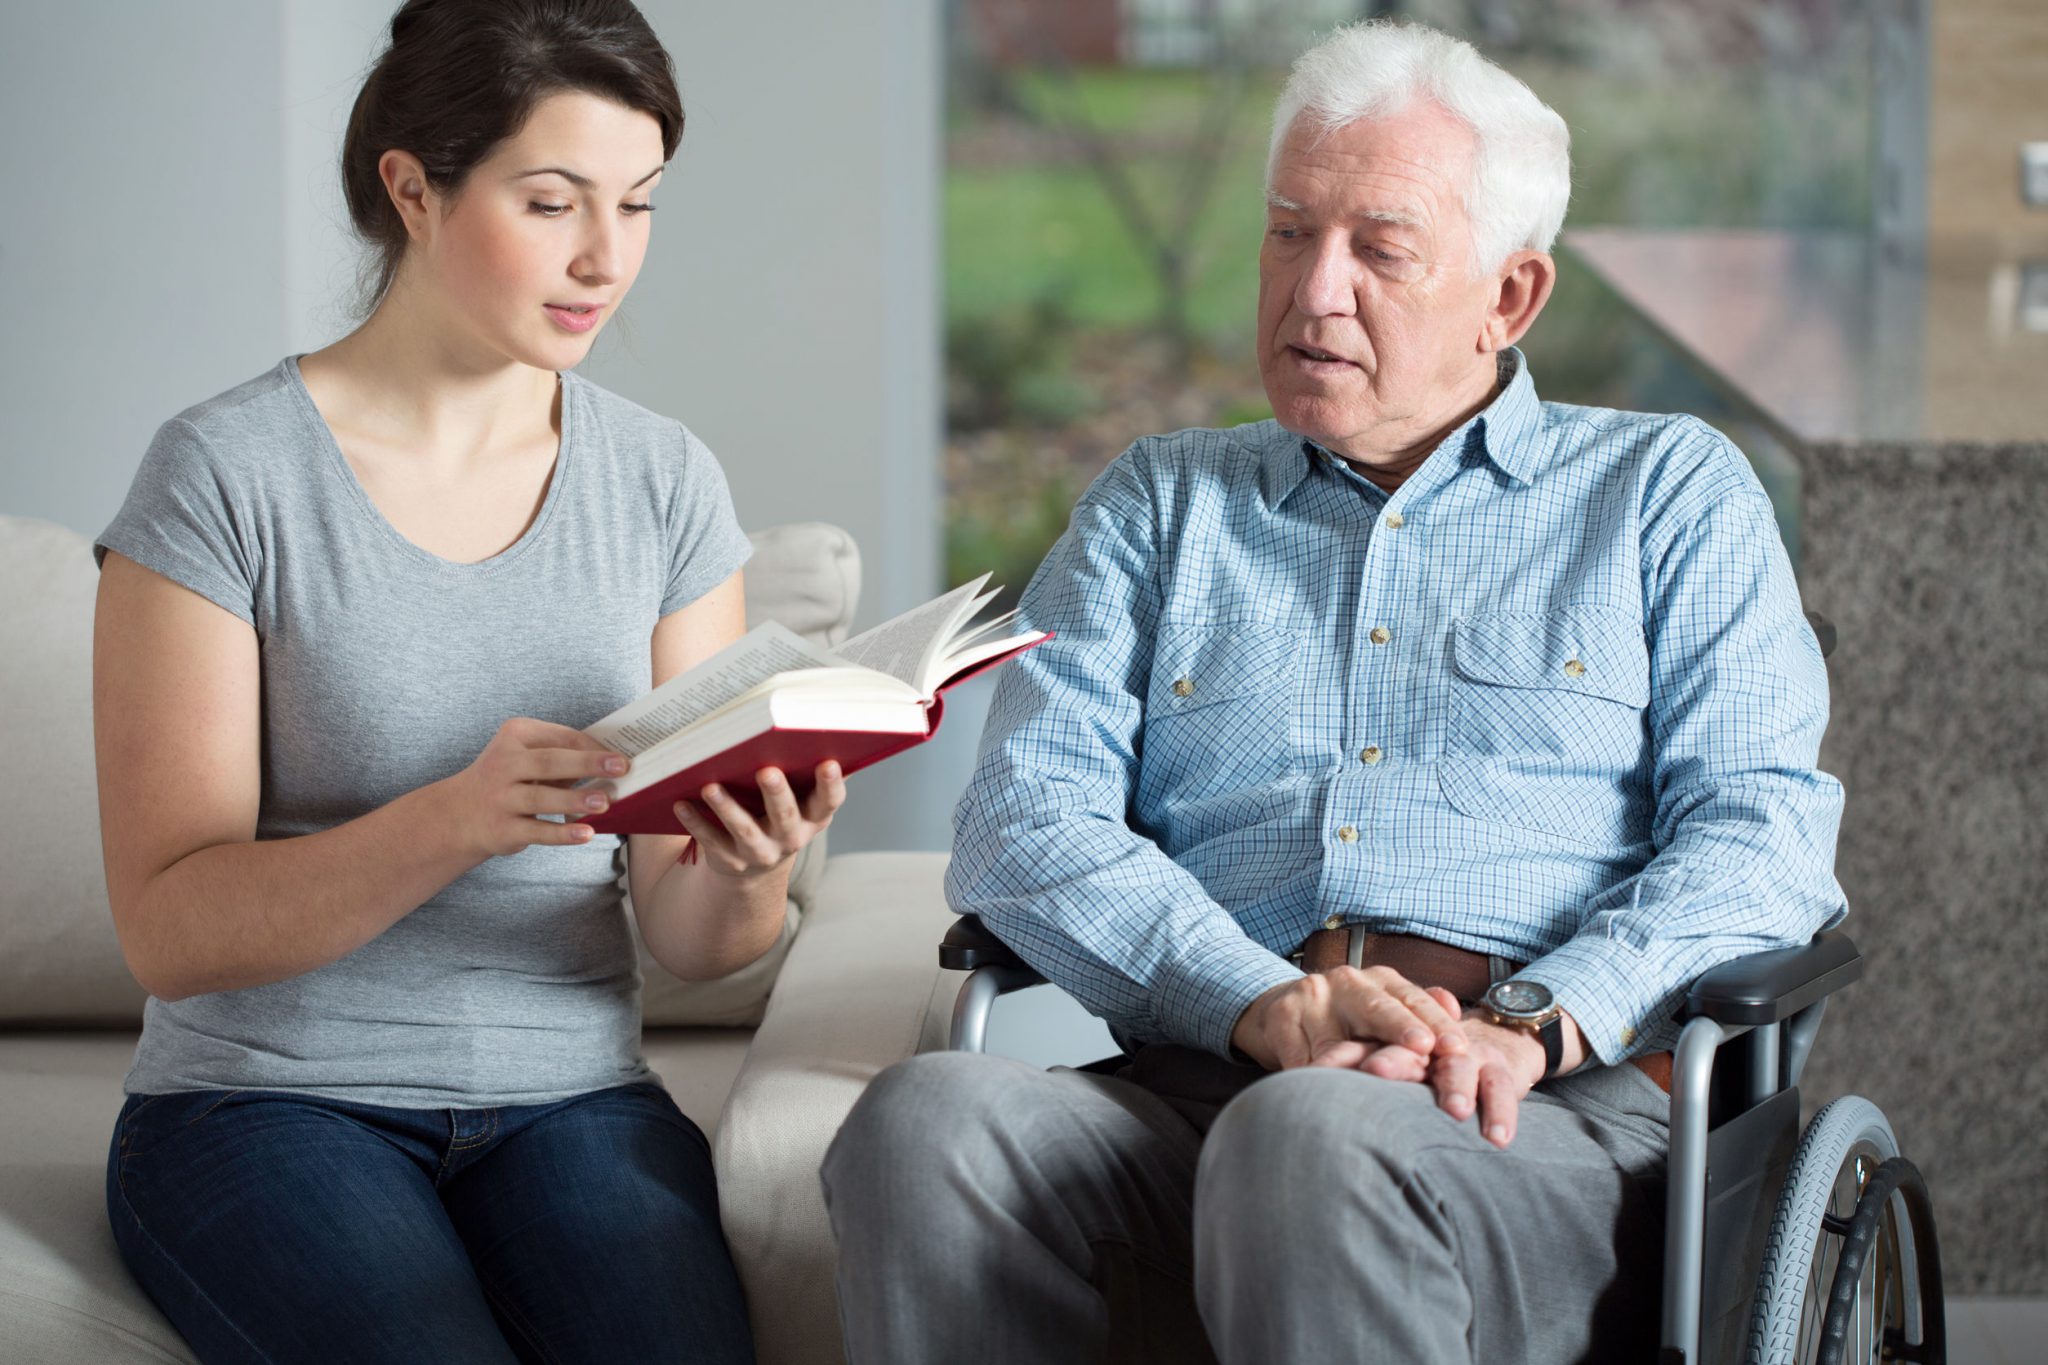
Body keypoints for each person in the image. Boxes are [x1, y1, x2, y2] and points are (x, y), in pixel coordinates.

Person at [821, 18, 1845, 1365]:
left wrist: (1536, 1020)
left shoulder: (1665, 496)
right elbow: (1021, 827)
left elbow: (1763, 836)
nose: (1313, 291)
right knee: (920, 1123)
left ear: (1511, 297)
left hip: (1538, 1117)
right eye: (1290, 233)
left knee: (1303, 1135)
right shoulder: (1157, 506)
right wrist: (1262, 1002)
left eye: (1380, 249)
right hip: (1208, 1079)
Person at [91, 2, 840, 1361]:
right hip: (260, 1109)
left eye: (640, 205)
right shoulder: (222, 477)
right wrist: (451, 818)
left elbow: (693, 942)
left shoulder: (666, 484)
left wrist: (745, 866)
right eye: (553, 202)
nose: (605, 258)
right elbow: (169, 925)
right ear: (413, 189)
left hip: (574, 1103)